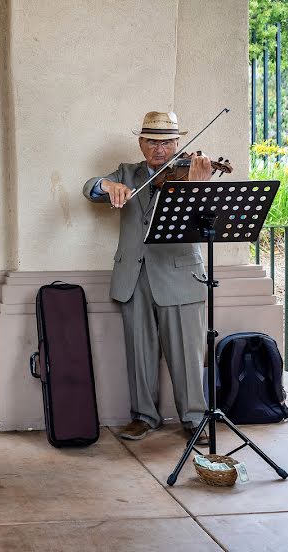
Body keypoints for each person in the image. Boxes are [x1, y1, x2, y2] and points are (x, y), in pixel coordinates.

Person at [83, 111, 211, 445]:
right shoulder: (127, 173)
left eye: (167, 142)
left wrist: (198, 186)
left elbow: (206, 218)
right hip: (134, 274)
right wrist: (106, 185)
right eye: (152, 141)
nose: (159, 149)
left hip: (179, 274)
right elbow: (90, 188)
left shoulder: (191, 171)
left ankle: (195, 418)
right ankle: (143, 416)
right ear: (141, 142)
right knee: (139, 351)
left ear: (178, 143)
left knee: (187, 351)